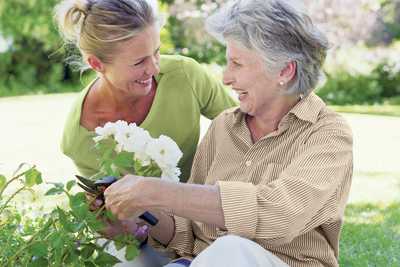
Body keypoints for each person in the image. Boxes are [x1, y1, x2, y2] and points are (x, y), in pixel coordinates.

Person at [104, 0, 353, 267]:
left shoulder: (328, 134)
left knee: (231, 251)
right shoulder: (224, 126)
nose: (226, 78)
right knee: (128, 261)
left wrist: (155, 191)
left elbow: (279, 215)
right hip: (201, 261)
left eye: (237, 64)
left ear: (284, 70)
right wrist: (137, 217)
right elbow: (188, 233)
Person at [56, 0, 237, 183]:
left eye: (156, 52)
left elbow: (247, 127)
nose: (154, 69)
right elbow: (105, 204)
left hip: (210, 200)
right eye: (138, 62)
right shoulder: (80, 139)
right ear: (96, 64)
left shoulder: (185, 75)